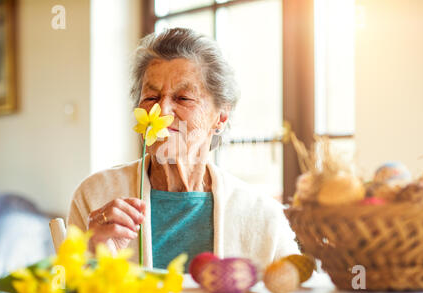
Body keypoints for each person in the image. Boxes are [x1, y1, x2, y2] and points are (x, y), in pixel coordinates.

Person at [67, 28, 299, 271]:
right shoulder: (94, 195)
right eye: (151, 97)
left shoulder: (262, 214)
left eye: (183, 98)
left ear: (220, 117)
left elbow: (298, 290)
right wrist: (91, 255)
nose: (163, 111)